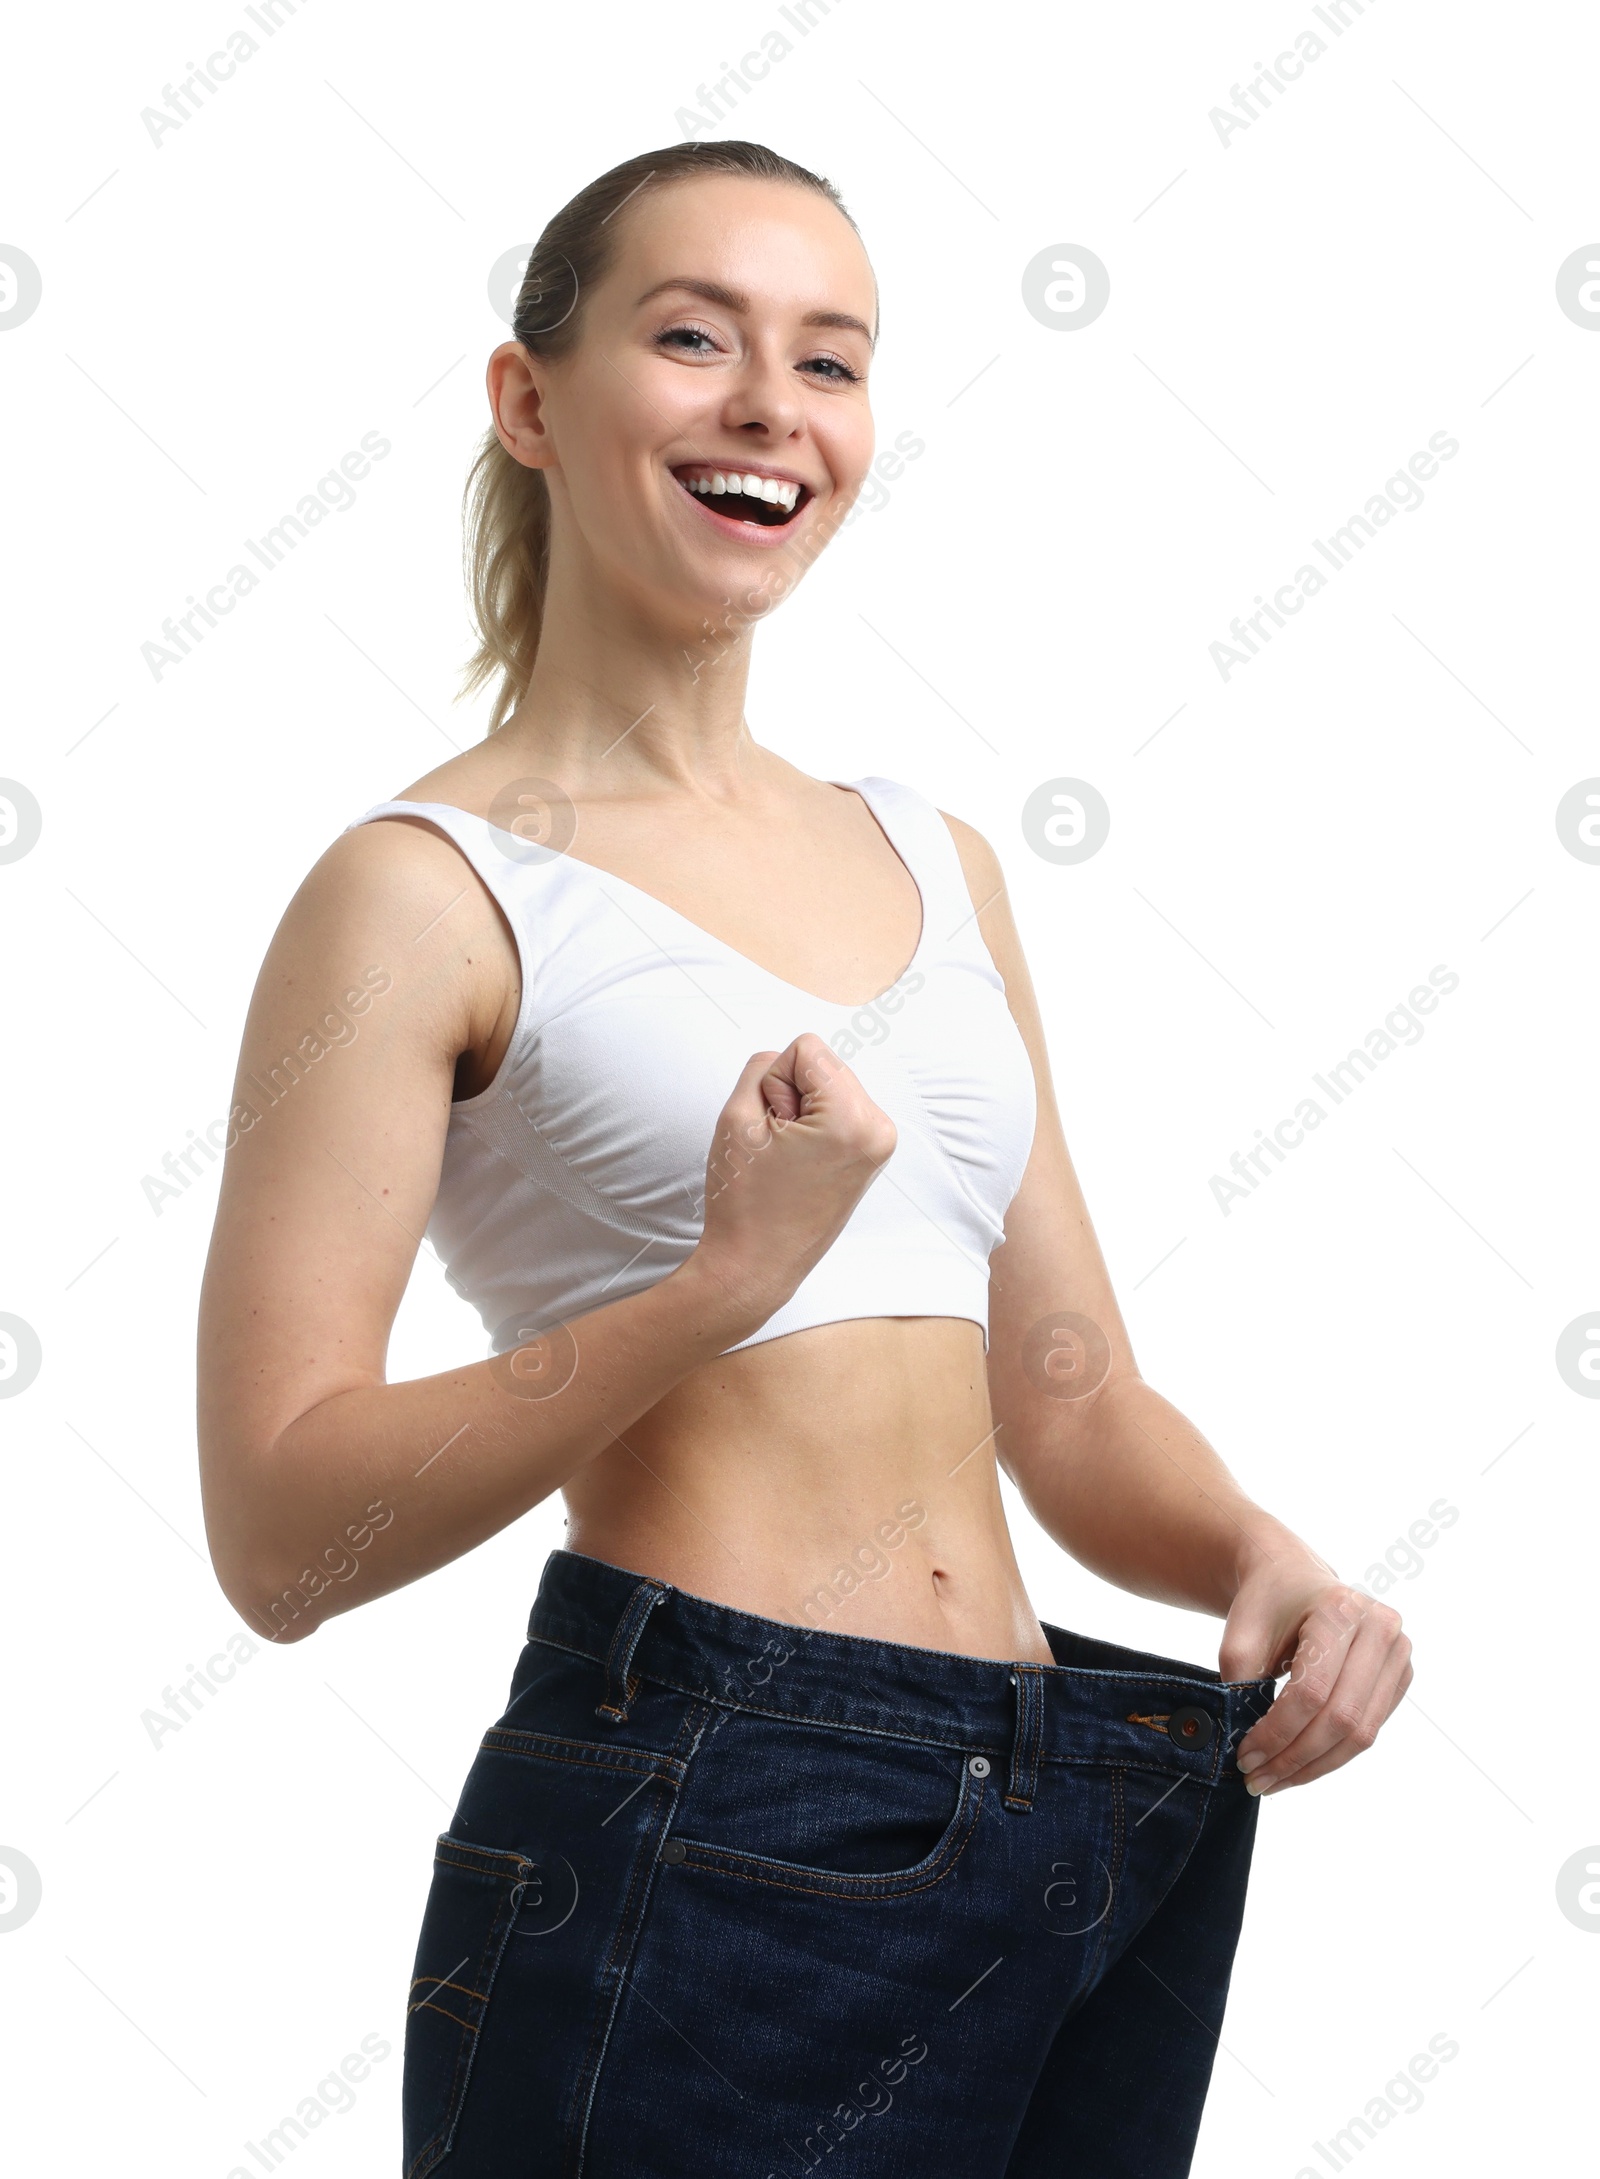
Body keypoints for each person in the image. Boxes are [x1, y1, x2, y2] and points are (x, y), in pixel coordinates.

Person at [197, 139, 1412, 2178]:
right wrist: (711, 1288)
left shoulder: (926, 856)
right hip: (712, 1795)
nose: (771, 403)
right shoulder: (423, 892)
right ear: (529, 404)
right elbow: (276, 1531)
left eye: (828, 359)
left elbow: (1068, 1394)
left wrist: (1251, 1559)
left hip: (1070, 1800)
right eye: (693, 337)